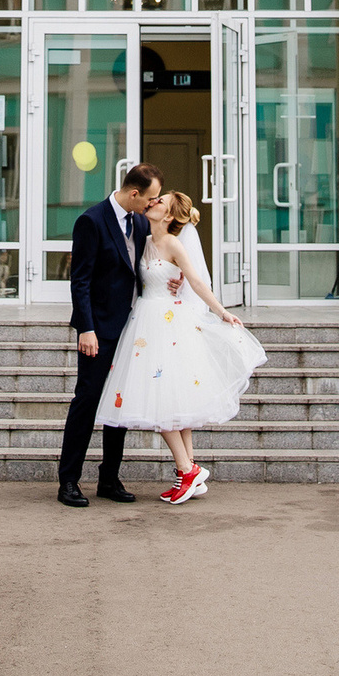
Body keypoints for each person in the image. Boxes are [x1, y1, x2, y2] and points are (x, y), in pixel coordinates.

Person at [104, 189, 267, 505]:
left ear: (167, 214)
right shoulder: (143, 239)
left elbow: (195, 281)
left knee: (160, 399)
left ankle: (187, 469)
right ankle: (187, 475)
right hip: (145, 321)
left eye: (160, 201)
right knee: (172, 400)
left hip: (166, 324)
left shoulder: (174, 243)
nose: (153, 202)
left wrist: (222, 311)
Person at [58, 162, 161, 508]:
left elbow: (143, 268)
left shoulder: (141, 221)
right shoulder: (92, 220)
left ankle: (108, 478)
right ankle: (68, 481)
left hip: (132, 328)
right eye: (150, 198)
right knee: (86, 402)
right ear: (134, 194)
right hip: (98, 330)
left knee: (120, 403)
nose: (153, 204)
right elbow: (80, 280)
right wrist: (85, 328)